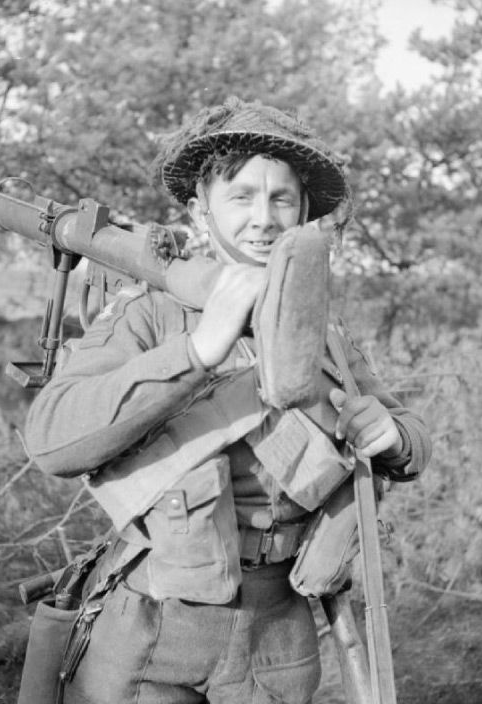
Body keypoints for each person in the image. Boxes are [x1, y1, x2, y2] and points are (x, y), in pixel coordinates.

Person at [24, 97, 433, 704]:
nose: (263, 219)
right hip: (158, 623)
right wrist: (197, 350)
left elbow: (411, 436)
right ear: (200, 210)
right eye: (241, 196)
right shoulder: (151, 312)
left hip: (282, 632)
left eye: (280, 200)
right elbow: (51, 438)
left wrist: (391, 436)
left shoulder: (322, 328)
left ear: (301, 216)